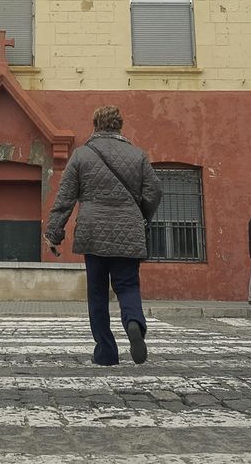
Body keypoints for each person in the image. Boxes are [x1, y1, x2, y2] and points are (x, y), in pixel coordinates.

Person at [46, 105, 163, 366]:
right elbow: (154, 190)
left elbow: (65, 197)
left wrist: (54, 234)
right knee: (128, 285)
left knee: (97, 292)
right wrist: (140, 213)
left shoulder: (81, 155)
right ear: (120, 126)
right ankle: (134, 323)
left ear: (95, 125)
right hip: (128, 231)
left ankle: (106, 351)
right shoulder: (138, 156)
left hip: (93, 231)